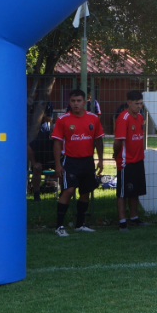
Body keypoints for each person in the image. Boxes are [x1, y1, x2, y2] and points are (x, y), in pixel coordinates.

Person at [51, 89, 104, 236]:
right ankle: (59, 227)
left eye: (79, 101)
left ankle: (80, 225)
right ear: (69, 102)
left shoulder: (93, 118)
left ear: (85, 102)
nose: (76, 104)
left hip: (87, 161)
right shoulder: (62, 119)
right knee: (68, 191)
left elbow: (98, 140)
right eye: (73, 101)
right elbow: (57, 143)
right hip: (70, 161)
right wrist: (57, 164)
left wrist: (100, 160)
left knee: (85, 192)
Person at [114, 90, 148, 231]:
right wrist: (115, 155)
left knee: (134, 191)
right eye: (136, 103)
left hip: (138, 159)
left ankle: (134, 218)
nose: (139, 106)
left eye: (141, 103)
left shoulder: (140, 117)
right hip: (125, 162)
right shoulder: (123, 118)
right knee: (123, 193)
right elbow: (117, 142)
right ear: (128, 102)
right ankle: (122, 222)